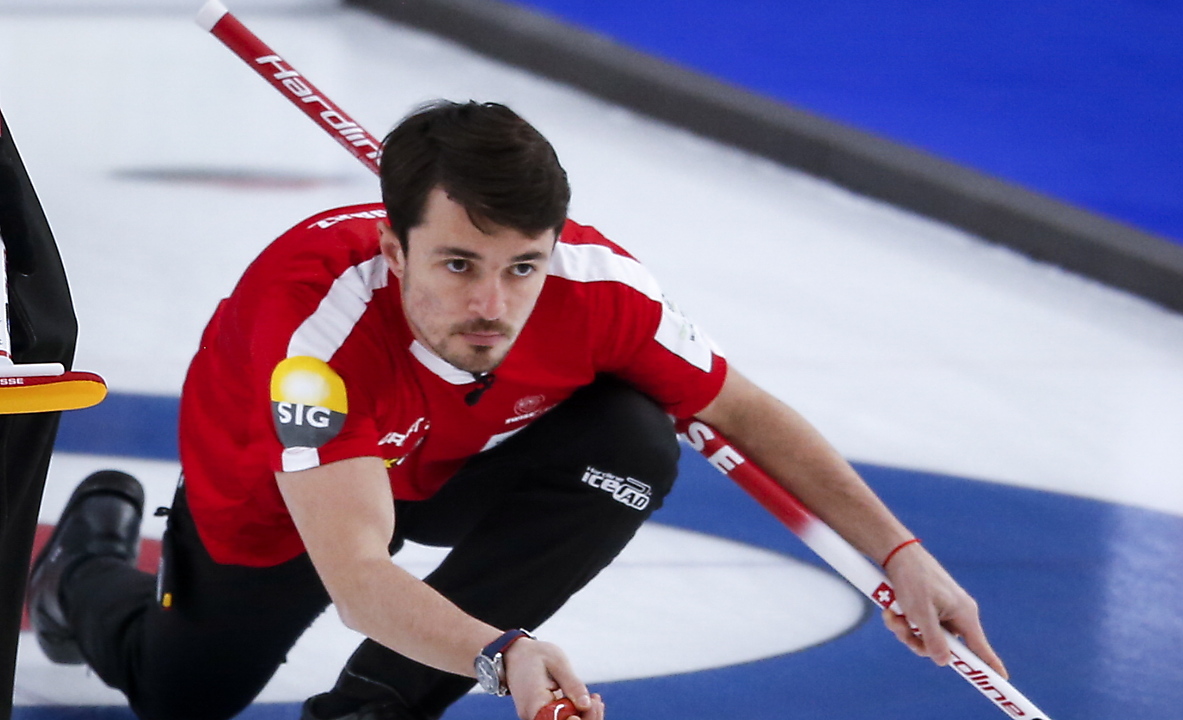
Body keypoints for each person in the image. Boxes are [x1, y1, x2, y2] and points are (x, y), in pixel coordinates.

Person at [27, 100, 1006, 720]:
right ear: (394, 247)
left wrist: (899, 552)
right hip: (284, 496)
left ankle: (375, 710)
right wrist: (502, 655)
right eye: (458, 264)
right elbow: (358, 574)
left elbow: (745, 411)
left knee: (632, 441)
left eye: (521, 267)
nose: (492, 305)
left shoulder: (598, 289)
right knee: (180, 695)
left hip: (460, 457)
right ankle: (83, 573)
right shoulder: (314, 343)